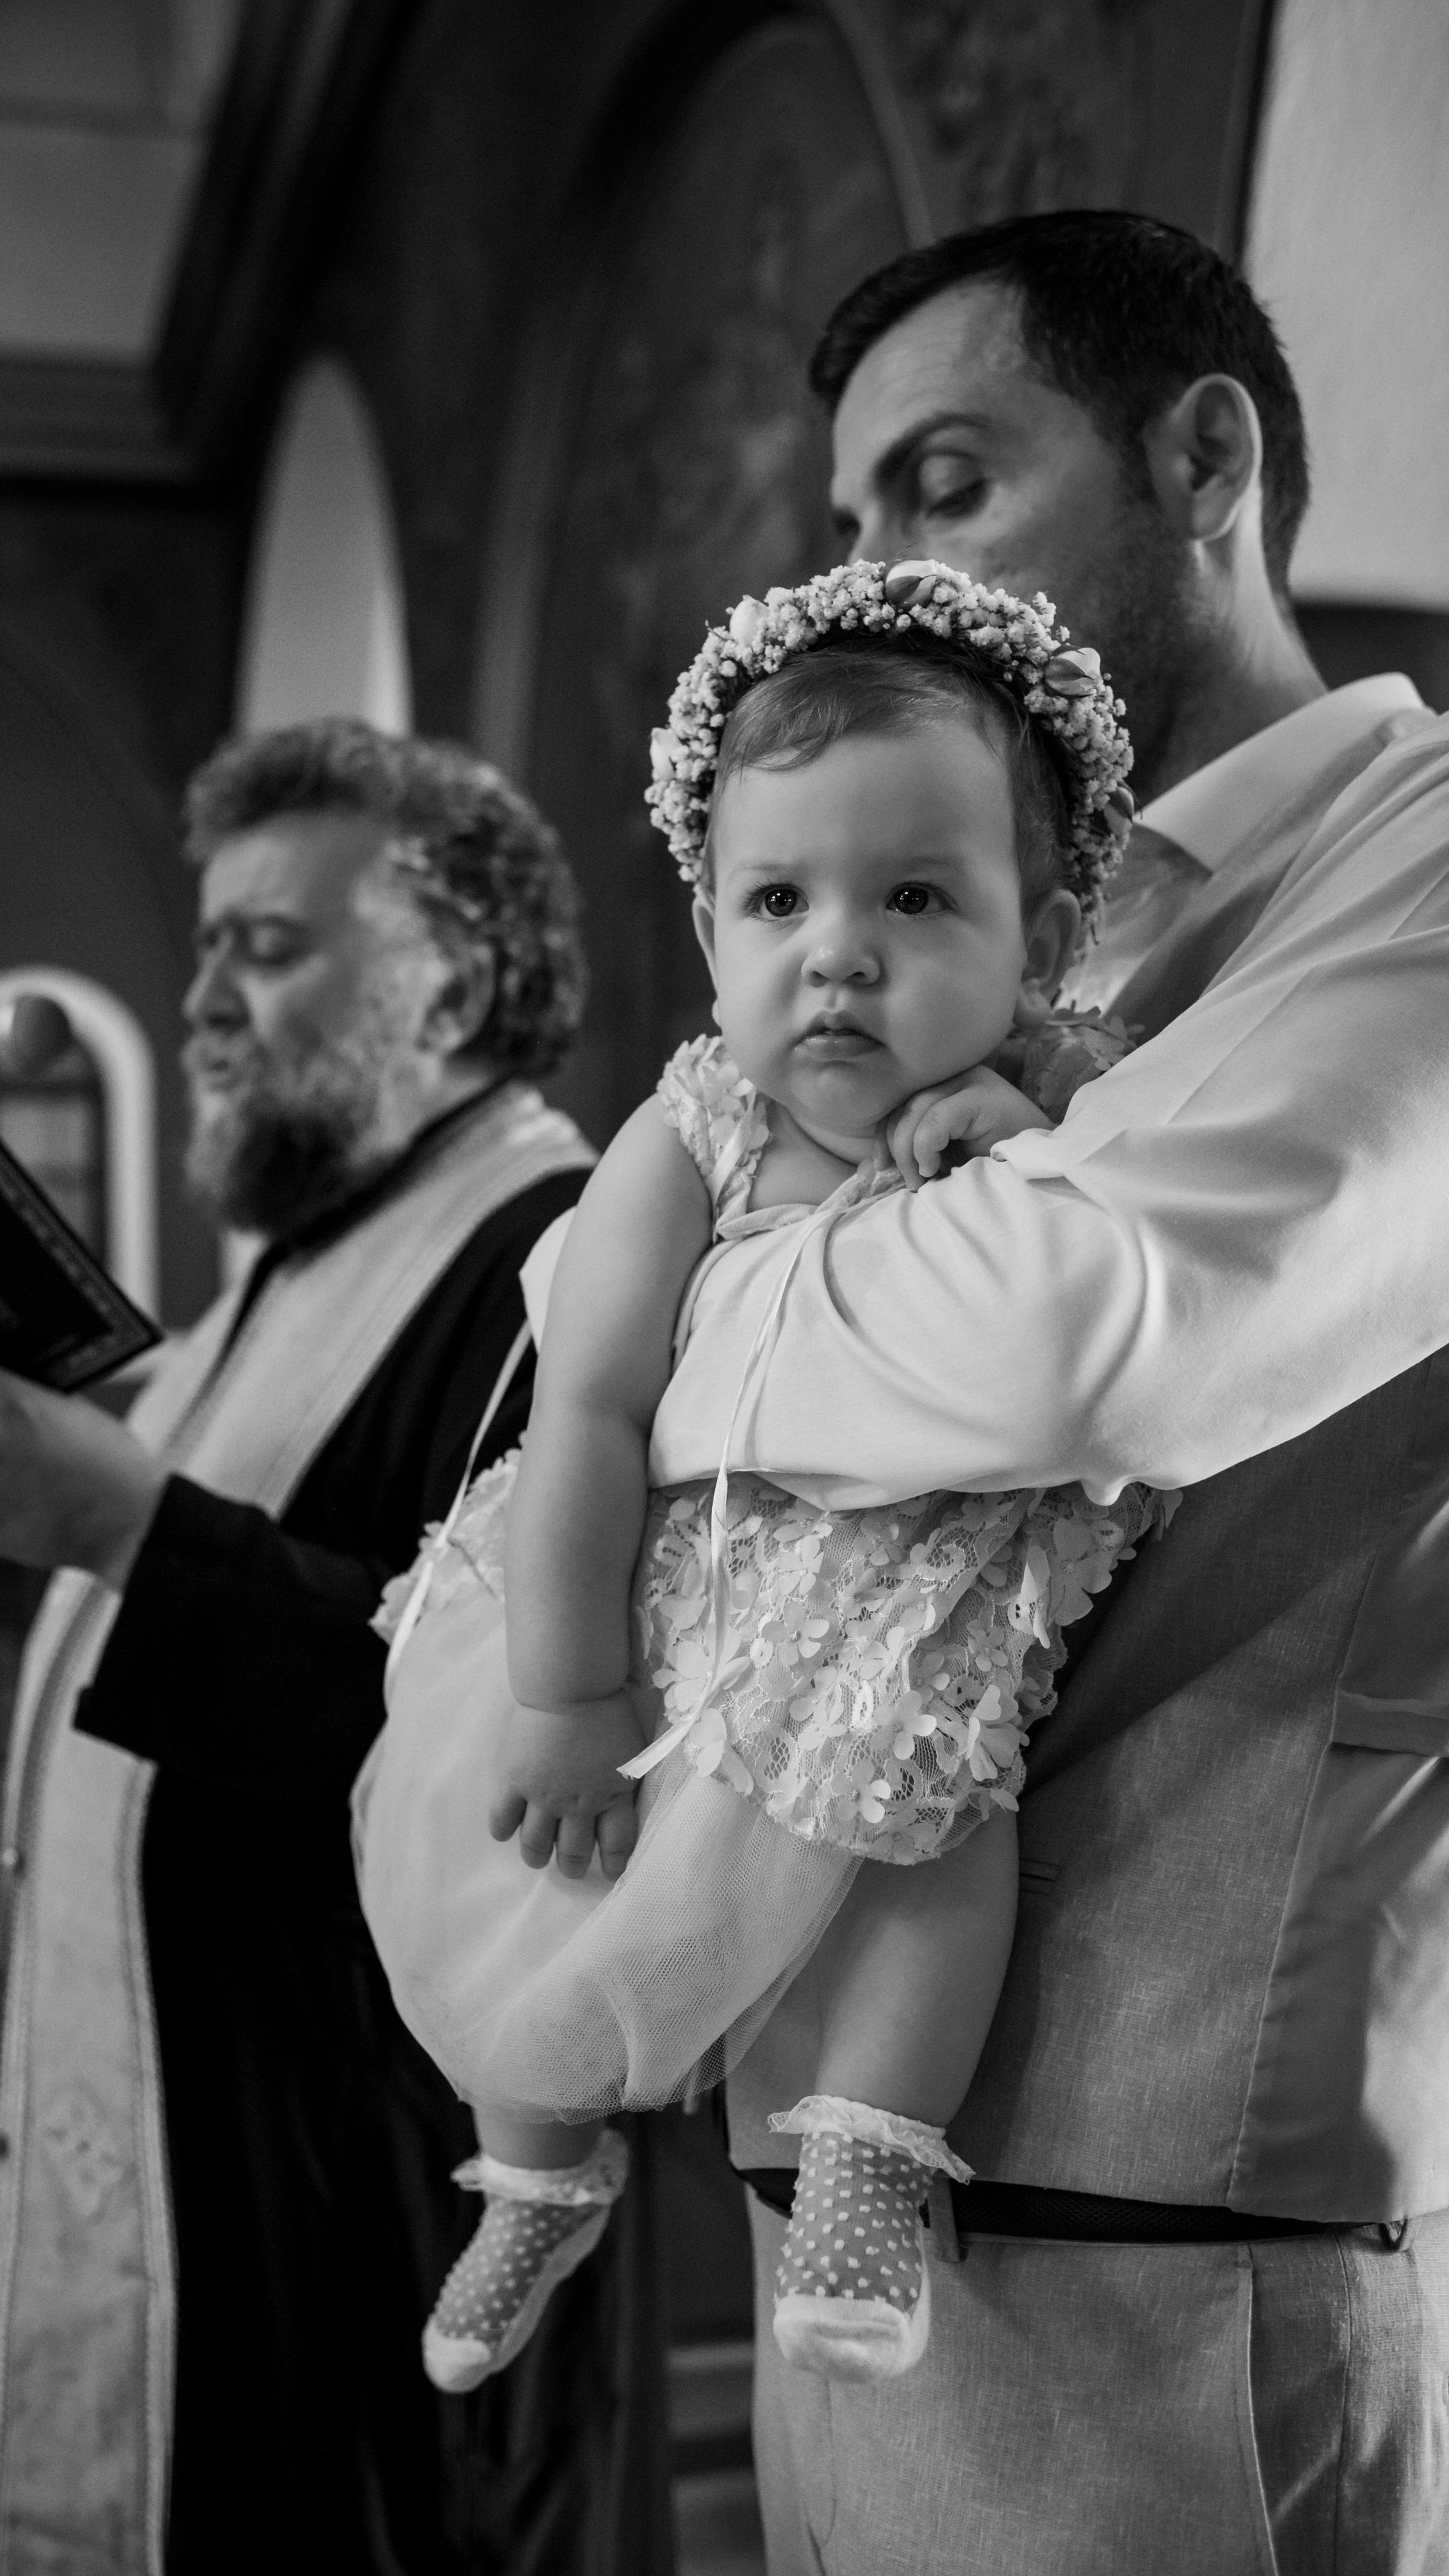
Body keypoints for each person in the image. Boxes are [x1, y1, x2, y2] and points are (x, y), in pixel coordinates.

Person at [647, 214, 1449, 2570]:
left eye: (950, 483)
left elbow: (1075, 1340)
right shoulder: (964, 927)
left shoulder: (1417, 868)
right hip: (854, 2204)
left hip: (1181, 2254)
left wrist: (647, 1337)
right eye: (852, 521)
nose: (879, 583)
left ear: (1203, 461)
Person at [0, 723, 671, 2576]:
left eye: (272, 946)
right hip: (224, 2126)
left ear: (451, 982)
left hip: (370, 2180)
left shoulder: (564, 1255)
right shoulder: (303, 1261)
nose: (206, 997)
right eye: (209, 943)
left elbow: (498, 1743)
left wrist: (127, 1529)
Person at [360, 561, 1167, 2395]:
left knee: (932, 1826)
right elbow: (585, 1407)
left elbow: (1122, 1275)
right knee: (516, 1884)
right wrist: (567, 1688)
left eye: (916, 899)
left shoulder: (1069, 1094)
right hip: (632, 1599)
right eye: (779, 900)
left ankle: (871, 2152)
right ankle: (536, 2172)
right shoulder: (690, 1135)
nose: (840, 954)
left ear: (1039, 936)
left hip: (884, 1624)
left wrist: (1036, 1130)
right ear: (711, 925)